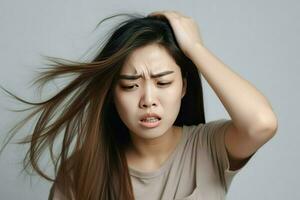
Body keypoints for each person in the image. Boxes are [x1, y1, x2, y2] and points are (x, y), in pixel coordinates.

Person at [0, 10, 278, 200]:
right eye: (130, 85)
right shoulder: (82, 170)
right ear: (112, 93)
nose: (148, 100)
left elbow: (261, 123)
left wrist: (195, 48)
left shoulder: (209, 147)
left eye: (163, 82)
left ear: (184, 85)